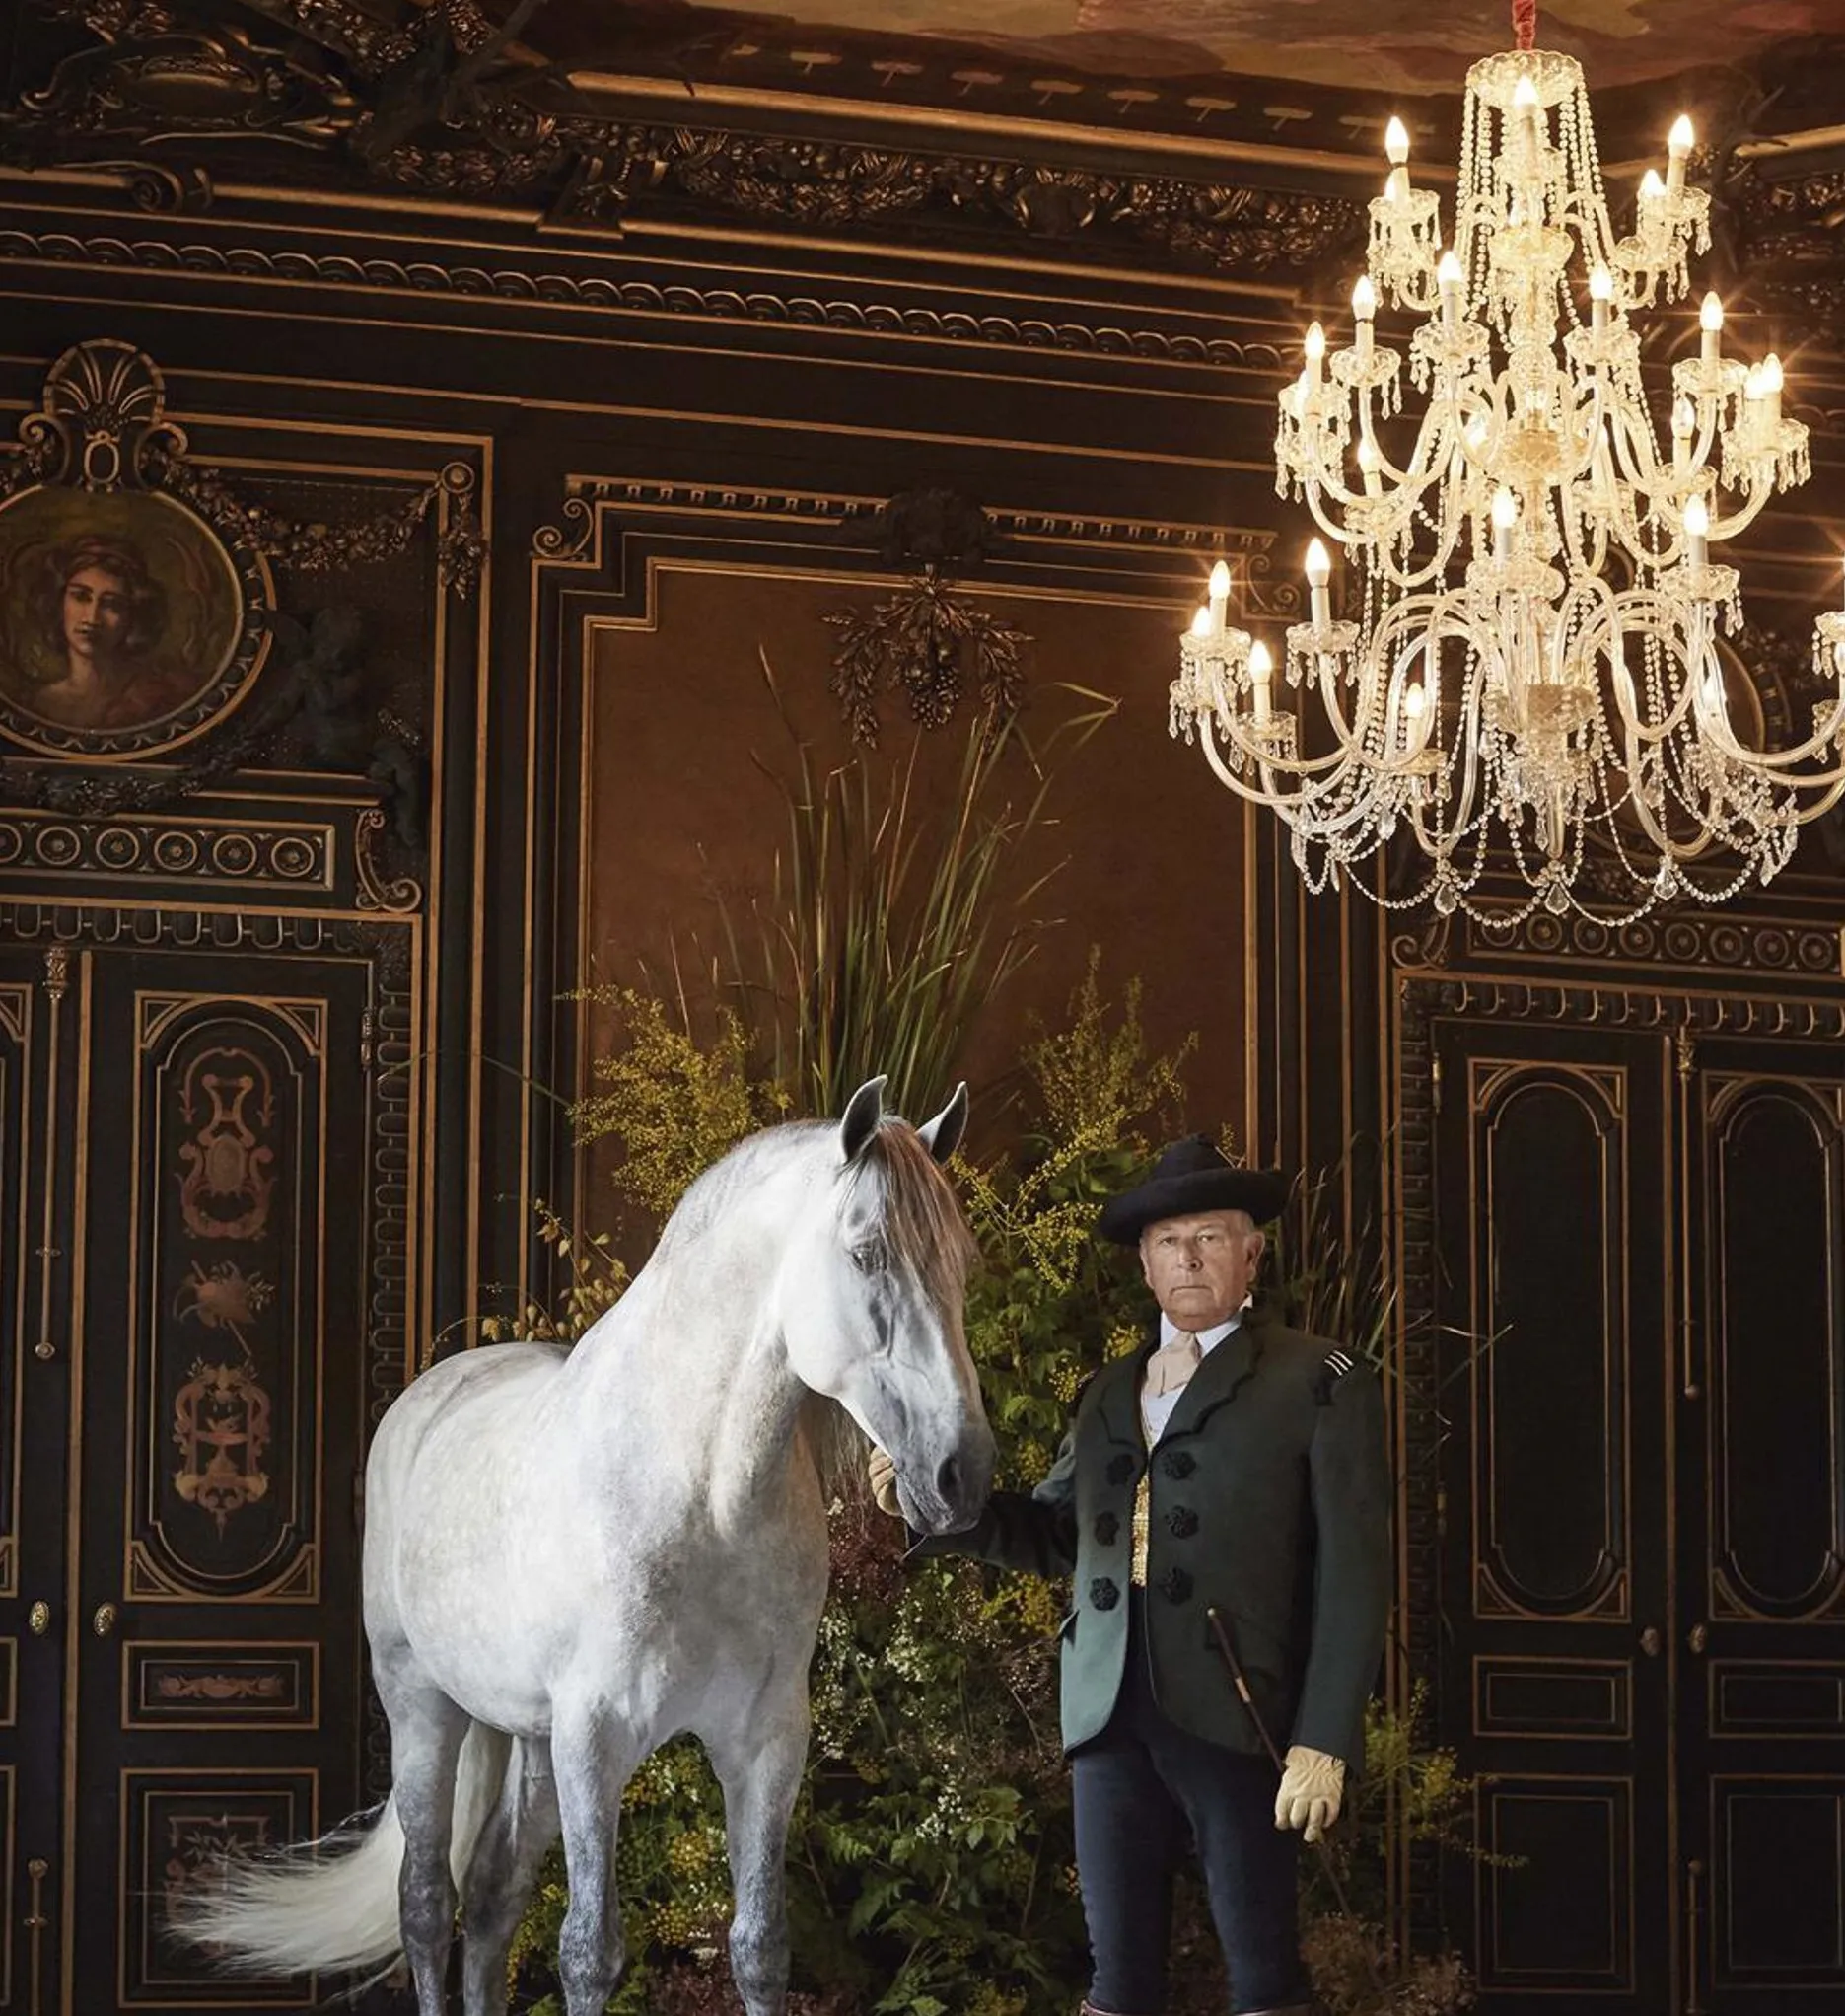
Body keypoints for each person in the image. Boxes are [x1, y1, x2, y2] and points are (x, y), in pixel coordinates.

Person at [870, 1134, 1391, 2016]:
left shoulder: (1319, 1379)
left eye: (1210, 1237)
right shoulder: (1109, 1391)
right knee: (1119, 1982)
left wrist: (1323, 1740)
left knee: (1265, 1976)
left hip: (1241, 1710)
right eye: (1166, 1242)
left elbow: (1356, 1576)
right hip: (1107, 1714)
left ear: (1250, 1252)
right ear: (1144, 1266)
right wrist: (933, 1511)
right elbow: (1055, 1538)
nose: (1187, 1256)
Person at [22, 535, 193, 729]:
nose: (92, 618)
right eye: (80, 596)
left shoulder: (159, 696)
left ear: (133, 616)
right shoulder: (41, 703)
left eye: (112, 604)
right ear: (58, 601)